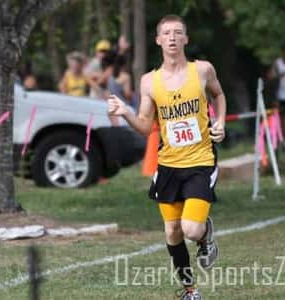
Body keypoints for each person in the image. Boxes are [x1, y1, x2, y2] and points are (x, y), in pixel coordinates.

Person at [108, 14, 226, 300]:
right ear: (158, 40)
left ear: (185, 39)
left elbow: (219, 95)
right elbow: (146, 126)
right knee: (172, 232)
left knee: (190, 229)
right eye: (166, 33)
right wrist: (126, 113)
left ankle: (205, 236)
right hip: (168, 165)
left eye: (178, 33)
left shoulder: (203, 70)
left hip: (200, 161)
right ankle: (189, 291)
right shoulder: (149, 81)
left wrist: (220, 121)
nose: (172, 38)